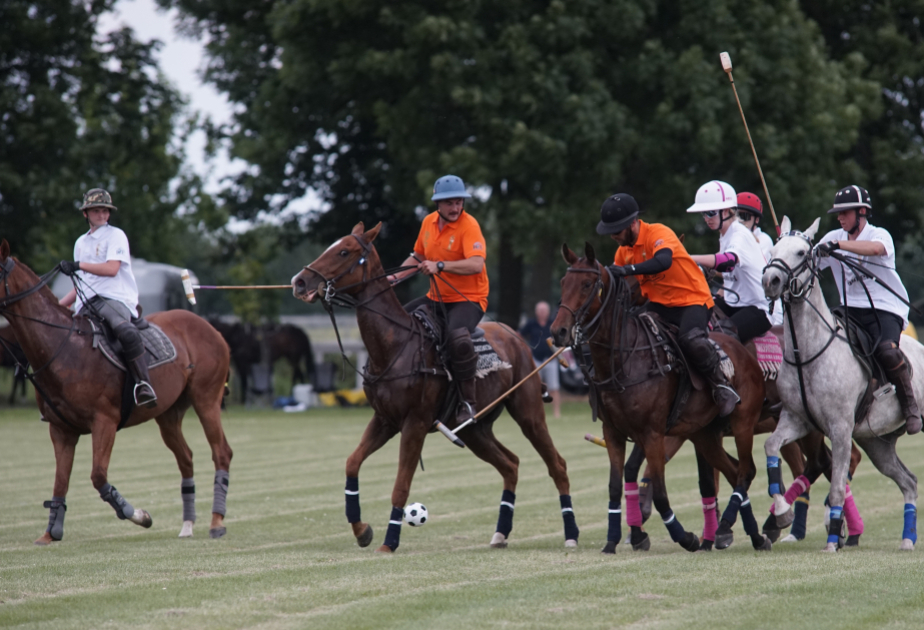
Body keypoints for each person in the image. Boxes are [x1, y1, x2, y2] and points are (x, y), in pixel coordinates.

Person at [597, 192, 739, 416]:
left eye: (616, 230)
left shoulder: (658, 233)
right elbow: (616, 282)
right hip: (660, 304)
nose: (613, 236)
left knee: (691, 339)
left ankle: (722, 386)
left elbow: (662, 261)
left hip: (692, 299)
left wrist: (627, 270)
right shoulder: (623, 252)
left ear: (633, 223)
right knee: (633, 333)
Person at [814, 185, 920, 434]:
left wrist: (837, 245)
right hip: (850, 311)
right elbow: (810, 262)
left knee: (888, 351)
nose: (840, 217)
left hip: (884, 310)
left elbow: (875, 250)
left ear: (862, 212)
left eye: (845, 212)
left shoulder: (878, 234)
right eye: (838, 214)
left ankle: (911, 407)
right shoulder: (832, 238)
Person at [391, 175, 488, 424]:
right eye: (450, 203)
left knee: (457, 338)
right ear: (437, 204)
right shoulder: (428, 223)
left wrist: (441, 265)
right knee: (398, 323)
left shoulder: (470, 226)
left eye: (459, 202)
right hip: (437, 297)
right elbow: (417, 257)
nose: (456, 208)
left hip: (469, 298)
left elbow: (477, 264)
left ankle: (468, 402)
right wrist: (393, 278)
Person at [58, 188, 157, 408]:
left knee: (126, 331)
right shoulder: (80, 243)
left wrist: (78, 265)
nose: (102, 215)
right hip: (87, 302)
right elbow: (81, 283)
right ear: (86, 213)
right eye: (96, 211)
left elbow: (112, 269)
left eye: (105, 210)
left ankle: (143, 384)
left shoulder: (116, 235)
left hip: (114, 297)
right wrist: (58, 306)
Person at [687, 182, 772, 345]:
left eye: (710, 213)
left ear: (726, 211)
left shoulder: (739, 234)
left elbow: (728, 262)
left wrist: (690, 258)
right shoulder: (724, 234)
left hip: (758, 309)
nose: (706, 219)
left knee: (720, 336)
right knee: (695, 313)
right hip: (733, 302)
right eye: (703, 214)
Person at [736, 192, 782, 326]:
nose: (739, 221)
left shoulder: (763, 241)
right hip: (740, 302)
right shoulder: (731, 239)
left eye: (744, 216)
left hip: (764, 308)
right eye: (735, 216)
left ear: (756, 220)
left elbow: (736, 267)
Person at [519, 301, 560, 419]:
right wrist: (526, 348)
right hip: (535, 360)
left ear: (548, 312)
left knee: (554, 388)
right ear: (537, 312)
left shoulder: (553, 323)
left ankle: (557, 413)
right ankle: (537, 412)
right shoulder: (531, 324)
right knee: (536, 387)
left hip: (550, 359)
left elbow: (561, 337)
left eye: (544, 310)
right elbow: (519, 334)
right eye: (540, 310)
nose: (542, 313)